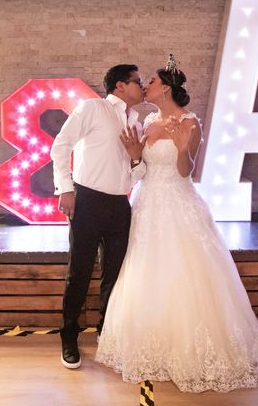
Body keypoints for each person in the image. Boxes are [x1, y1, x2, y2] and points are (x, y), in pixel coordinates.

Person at [95, 55, 258, 393]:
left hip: (178, 203)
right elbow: (139, 171)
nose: (145, 86)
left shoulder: (189, 121)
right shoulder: (147, 120)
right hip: (147, 202)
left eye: (151, 82)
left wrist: (183, 149)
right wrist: (136, 155)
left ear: (165, 88)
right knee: (145, 270)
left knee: (184, 271)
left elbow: (186, 171)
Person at [50, 64, 147, 369]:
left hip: (120, 204)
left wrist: (135, 157)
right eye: (137, 82)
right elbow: (60, 145)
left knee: (115, 274)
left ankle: (107, 332)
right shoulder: (93, 108)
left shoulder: (137, 121)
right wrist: (65, 189)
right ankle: (69, 336)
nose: (142, 87)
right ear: (120, 85)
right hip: (87, 200)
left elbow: (140, 172)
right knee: (79, 271)